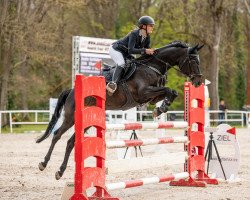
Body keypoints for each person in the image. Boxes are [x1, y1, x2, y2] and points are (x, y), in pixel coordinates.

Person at [106, 16, 155, 95]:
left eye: (152, 26)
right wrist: (145, 50)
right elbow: (131, 50)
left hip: (127, 52)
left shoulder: (147, 37)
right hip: (116, 49)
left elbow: (146, 52)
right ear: (144, 26)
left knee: (135, 64)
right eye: (150, 25)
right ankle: (113, 84)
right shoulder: (134, 34)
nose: (152, 28)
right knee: (121, 63)